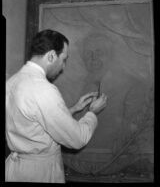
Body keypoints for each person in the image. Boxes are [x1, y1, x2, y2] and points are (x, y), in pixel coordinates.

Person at [5, 29, 107, 183]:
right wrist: (92, 112)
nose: (63, 67)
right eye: (64, 59)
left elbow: (35, 120)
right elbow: (78, 139)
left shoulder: (12, 82)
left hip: (17, 169)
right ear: (51, 56)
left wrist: (74, 108)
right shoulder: (43, 89)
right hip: (39, 173)